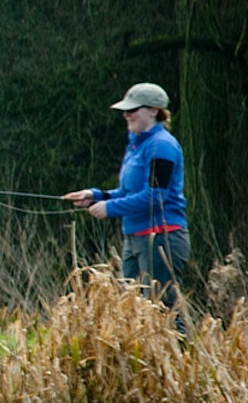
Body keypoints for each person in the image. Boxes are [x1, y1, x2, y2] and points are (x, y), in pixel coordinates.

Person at [63, 82, 189, 330]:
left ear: (154, 111)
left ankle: (184, 360)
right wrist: (97, 196)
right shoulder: (137, 145)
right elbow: (128, 192)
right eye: (125, 110)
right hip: (134, 239)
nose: (126, 114)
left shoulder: (161, 146)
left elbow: (155, 196)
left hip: (161, 240)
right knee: (135, 313)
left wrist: (110, 209)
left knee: (163, 312)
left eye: (133, 109)